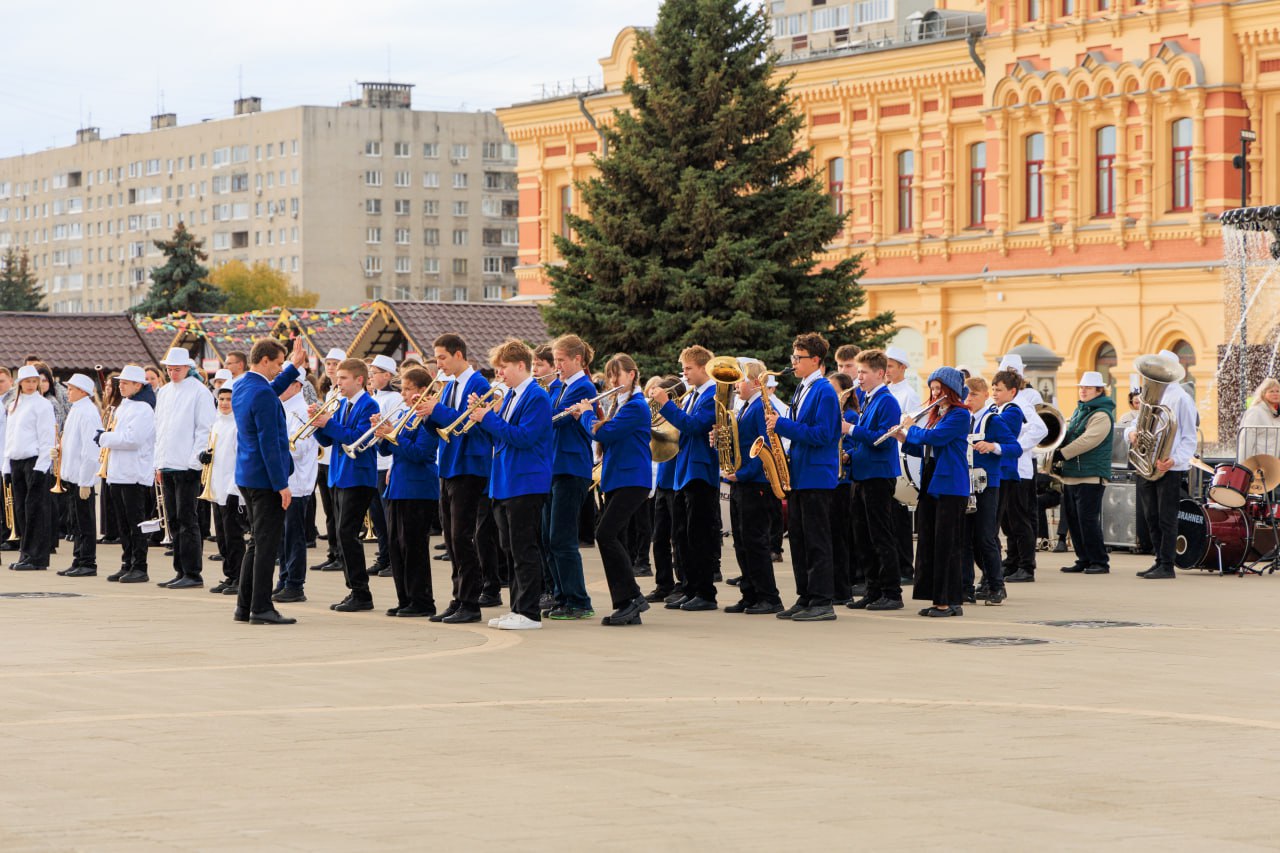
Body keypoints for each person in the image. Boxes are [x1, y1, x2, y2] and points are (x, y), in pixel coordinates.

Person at [466, 339, 553, 630]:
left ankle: (529, 612)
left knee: (523, 548)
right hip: (505, 481)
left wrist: (488, 418)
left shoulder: (537, 397)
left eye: (503, 368)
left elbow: (523, 438)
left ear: (520, 365)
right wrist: (481, 420)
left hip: (526, 482)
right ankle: (517, 607)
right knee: (510, 548)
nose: (499, 374)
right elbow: (500, 439)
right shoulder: (513, 396)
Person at [569, 353, 653, 625]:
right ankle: (629, 603)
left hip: (633, 480)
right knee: (617, 538)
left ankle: (630, 597)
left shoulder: (637, 406)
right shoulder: (619, 402)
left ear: (632, 374)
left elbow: (603, 433)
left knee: (604, 534)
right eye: (611, 375)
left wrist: (586, 414)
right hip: (618, 478)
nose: (613, 380)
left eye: (618, 374)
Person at [415, 333, 494, 624]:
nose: (439, 364)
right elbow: (439, 427)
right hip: (448, 465)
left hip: (470, 467)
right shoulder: (449, 386)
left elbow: (471, 425)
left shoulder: (478, 384)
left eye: (442, 358)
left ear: (458, 354)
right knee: (450, 538)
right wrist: (426, 414)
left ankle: (470, 602)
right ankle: (457, 597)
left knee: (462, 537)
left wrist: (437, 410)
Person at [767, 333, 843, 622]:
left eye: (798, 358)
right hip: (799, 474)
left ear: (815, 360)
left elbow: (824, 435)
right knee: (798, 539)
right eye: (793, 357)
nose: (793, 363)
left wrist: (782, 425)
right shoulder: (803, 388)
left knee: (816, 540)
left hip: (816, 476)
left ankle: (823, 600)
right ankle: (806, 595)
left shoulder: (824, 391)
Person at [231, 338, 302, 625]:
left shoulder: (244, 385)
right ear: (264, 361)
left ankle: (244, 605)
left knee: (255, 544)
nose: (279, 368)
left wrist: (293, 368)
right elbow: (269, 444)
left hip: (247, 476)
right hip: (264, 479)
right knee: (266, 545)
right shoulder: (260, 393)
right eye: (278, 363)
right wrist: (281, 484)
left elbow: (269, 392)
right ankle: (261, 607)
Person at [651, 346, 721, 611]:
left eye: (688, 368)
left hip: (700, 472)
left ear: (704, 368)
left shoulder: (713, 394)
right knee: (682, 535)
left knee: (698, 535)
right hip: (684, 472)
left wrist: (666, 404)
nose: (684, 374)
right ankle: (690, 586)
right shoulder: (694, 394)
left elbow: (693, 426)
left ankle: (705, 592)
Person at [897, 368, 971, 617]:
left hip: (951, 484)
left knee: (947, 544)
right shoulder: (938, 414)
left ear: (951, 390)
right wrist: (902, 437)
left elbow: (937, 439)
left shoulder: (960, 414)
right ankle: (937, 597)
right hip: (932, 480)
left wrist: (911, 427)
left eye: (940, 388)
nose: (935, 393)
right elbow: (926, 449)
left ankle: (948, 601)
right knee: (930, 541)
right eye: (933, 388)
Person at [312, 357, 381, 611]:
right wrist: (320, 423)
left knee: (347, 533)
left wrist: (329, 423)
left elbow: (357, 439)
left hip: (358, 477)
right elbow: (329, 440)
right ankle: (355, 590)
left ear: (359, 380)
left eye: (342, 378)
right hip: (340, 474)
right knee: (342, 534)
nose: (337, 382)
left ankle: (361, 592)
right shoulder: (342, 403)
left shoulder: (369, 404)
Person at [376, 366, 441, 617]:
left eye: (407, 389)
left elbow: (420, 453)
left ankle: (422, 600)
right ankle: (405, 598)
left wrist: (392, 437)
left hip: (418, 488)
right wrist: (384, 435)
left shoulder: (428, 419)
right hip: (399, 488)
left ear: (422, 391)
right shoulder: (407, 414)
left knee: (414, 547)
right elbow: (386, 451)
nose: (402, 394)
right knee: (397, 546)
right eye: (402, 389)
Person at [1126, 352, 1198, 580]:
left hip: (1168, 466)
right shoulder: (1149, 396)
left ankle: (1167, 564)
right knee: (1151, 516)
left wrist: (1174, 459)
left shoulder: (1182, 399)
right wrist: (1133, 434)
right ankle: (1159, 559)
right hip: (1147, 463)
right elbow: (1135, 424)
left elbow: (1189, 437)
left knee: (1166, 517)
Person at [720, 361, 782, 615]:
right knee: (742, 541)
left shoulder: (761, 407)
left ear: (756, 382)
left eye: (741, 380)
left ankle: (768, 596)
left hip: (755, 483)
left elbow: (762, 447)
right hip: (742, 482)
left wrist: (742, 473)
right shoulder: (745, 407)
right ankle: (750, 593)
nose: (736, 385)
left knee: (755, 542)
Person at [846, 348, 905, 611]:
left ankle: (892, 592)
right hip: (863, 472)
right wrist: (849, 454)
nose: (859, 377)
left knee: (881, 535)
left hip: (878, 475)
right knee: (863, 535)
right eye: (858, 372)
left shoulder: (887, 401)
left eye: (864, 372)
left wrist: (851, 430)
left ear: (880, 374)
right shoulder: (869, 398)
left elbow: (882, 439)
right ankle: (873, 589)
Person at [543, 334, 598, 619]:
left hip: (571, 468)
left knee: (562, 539)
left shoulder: (583, 387)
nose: (557, 365)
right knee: (549, 539)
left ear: (578, 359)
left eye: (561, 360)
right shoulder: (560, 387)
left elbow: (554, 419)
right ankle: (561, 595)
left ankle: (579, 601)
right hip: (554, 468)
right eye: (555, 361)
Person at [152, 347, 216, 590]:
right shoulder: (166, 392)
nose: (172, 373)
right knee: (174, 520)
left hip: (187, 465)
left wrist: (194, 463)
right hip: (168, 464)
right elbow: (161, 429)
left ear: (187, 368)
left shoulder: (199, 392)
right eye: (169, 369)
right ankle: (180, 569)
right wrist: (158, 463)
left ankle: (192, 572)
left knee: (188, 519)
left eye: (176, 369)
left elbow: (204, 429)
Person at [98, 365, 156, 583]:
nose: (120, 386)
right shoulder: (124, 406)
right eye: (120, 382)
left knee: (135, 522)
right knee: (122, 523)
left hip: (134, 473)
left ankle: (140, 566)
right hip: (118, 472)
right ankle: (127, 562)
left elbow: (133, 440)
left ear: (137, 385)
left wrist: (104, 438)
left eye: (125, 383)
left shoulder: (143, 409)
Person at [1054, 371, 1115, 576]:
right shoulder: (1081, 411)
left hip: (1090, 475)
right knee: (1074, 519)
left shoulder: (1102, 414)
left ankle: (1099, 561)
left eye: (1088, 388)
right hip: (1073, 473)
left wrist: (1061, 453)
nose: (1083, 390)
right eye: (1081, 387)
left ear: (1099, 391)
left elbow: (1088, 440)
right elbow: (1069, 434)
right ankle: (1084, 558)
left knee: (1087, 519)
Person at [967, 377, 1021, 604]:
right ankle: (979, 582)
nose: (969, 400)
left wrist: (993, 446)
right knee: (969, 537)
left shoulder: (992, 421)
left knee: (986, 536)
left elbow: (1015, 448)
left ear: (985, 396)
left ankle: (997, 586)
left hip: (988, 484)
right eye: (966, 396)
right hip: (966, 483)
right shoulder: (963, 419)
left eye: (974, 396)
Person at [993, 362, 1046, 583]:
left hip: (1019, 469)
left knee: (1019, 519)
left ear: (1012, 389)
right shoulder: (1001, 406)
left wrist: (1017, 445)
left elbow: (1041, 429)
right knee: (1007, 520)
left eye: (998, 388)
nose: (994, 392)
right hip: (1005, 468)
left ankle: (1027, 565)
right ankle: (1012, 561)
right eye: (993, 388)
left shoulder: (1021, 405)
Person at [4, 365, 57, 570]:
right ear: (20, 383)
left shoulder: (42, 405)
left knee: (36, 509)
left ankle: (37, 557)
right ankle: (26, 552)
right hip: (16, 461)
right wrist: (6, 466)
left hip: (34, 461)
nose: (31, 385)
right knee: (20, 510)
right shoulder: (13, 405)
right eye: (27, 381)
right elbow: (10, 437)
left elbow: (46, 438)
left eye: (34, 381)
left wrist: (41, 467)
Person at [275, 370, 318, 603]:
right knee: (283, 536)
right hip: (284, 481)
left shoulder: (302, 410)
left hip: (298, 482)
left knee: (294, 536)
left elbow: (299, 448)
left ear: (296, 385)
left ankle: (295, 584)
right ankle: (284, 578)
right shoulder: (283, 406)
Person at [55, 374, 104, 577]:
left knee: (85, 521)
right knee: (75, 521)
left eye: (72, 389)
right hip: (73, 475)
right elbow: (73, 442)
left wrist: (86, 481)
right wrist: (59, 449)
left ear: (83, 391)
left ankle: (87, 561)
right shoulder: (77, 410)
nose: (68, 392)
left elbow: (90, 449)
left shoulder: (88, 412)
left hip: (81, 477)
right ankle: (78, 558)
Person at [206, 386, 245, 596]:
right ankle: (229, 575)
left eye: (229, 399)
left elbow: (239, 459)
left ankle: (240, 577)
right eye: (221, 399)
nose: (224, 403)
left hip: (231, 489)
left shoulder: (237, 426)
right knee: (221, 536)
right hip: (216, 488)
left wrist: (234, 489)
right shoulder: (217, 423)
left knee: (234, 537)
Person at [884, 345, 919, 584]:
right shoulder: (885, 390)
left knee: (901, 517)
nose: (886, 371)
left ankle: (906, 567)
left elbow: (910, 426)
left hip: (900, 458)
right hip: (886, 459)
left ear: (903, 368)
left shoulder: (909, 393)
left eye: (890, 366)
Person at [366, 354, 402, 577]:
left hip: (386, 463)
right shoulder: (375, 397)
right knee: (377, 517)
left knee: (389, 517)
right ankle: (383, 556)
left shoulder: (394, 399)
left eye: (374, 373)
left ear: (387, 375)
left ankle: (393, 560)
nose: (370, 377)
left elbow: (395, 431)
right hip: (373, 462)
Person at [311, 349, 347, 573]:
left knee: (338, 512)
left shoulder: (344, 395)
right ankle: (333, 552)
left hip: (337, 457)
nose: (331, 367)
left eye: (336, 364)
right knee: (329, 511)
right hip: (325, 458)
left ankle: (341, 555)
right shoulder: (331, 392)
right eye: (328, 363)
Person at [1238, 377, 1280, 460]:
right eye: (1271, 391)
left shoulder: (1276, 413)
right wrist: (1244, 465)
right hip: (1258, 463)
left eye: (1278, 391)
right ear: (1263, 394)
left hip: (1273, 463)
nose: (1275, 394)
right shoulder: (1255, 412)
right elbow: (1246, 439)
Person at [0, 367, 12, 548]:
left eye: (2, 381)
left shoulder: (12, 400)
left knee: (8, 500)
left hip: (8, 455)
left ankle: (11, 535)